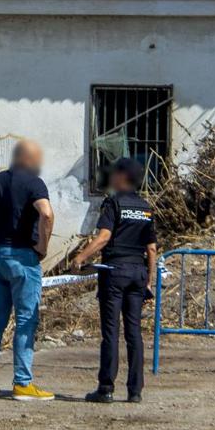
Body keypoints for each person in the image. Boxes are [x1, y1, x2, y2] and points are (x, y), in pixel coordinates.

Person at [0, 139, 55, 401]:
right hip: (22, 257)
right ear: (29, 159)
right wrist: (43, 245)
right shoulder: (34, 183)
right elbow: (46, 214)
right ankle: (23, 383)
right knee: (26, 319)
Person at [70, 157, 157, 404]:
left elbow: (103, 238)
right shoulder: (146, 207)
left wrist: (80, 258)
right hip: (138, 274)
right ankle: (135, 390)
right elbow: (151, 248)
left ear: (122, 177)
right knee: (134, 333)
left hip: (115, 272)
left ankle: (106, 388)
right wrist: (148, 280)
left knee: (111, 333)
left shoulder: (113, 203)